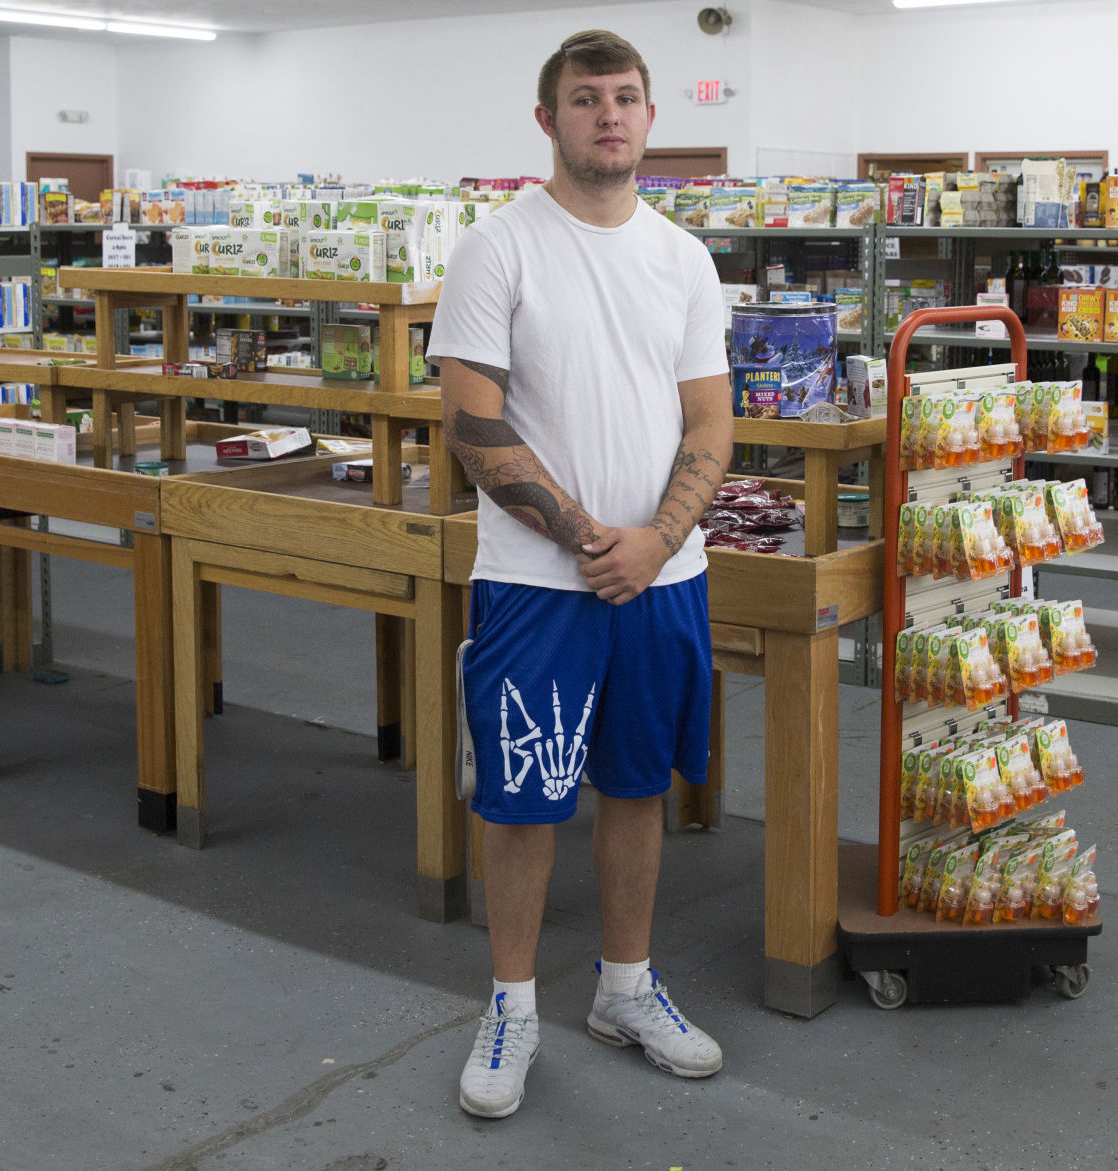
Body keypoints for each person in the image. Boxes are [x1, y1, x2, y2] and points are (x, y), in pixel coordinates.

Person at [428, 29, 733, 1121]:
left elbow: (711, 419)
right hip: (534, 585)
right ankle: (511, 1003)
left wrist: (654, 539)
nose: (609, 114)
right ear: (547, 118)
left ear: (651, 118)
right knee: (521, 798)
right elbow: (472, 422)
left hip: (666, 578)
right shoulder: (497, 248)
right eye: (585, 97)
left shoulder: (682, 257)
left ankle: (624, 988)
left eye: (626, 97)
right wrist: (586, 539)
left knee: (638, 785)